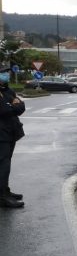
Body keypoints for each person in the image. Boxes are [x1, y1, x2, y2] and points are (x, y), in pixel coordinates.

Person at [0, 65, 25, 209]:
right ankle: (3, 197)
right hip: (1, 135)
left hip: (10, 133)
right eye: (3, 72)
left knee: (6, 164)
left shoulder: (7, 90)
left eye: (7, 72)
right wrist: (12, 105)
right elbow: (3, 110)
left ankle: (5, 191)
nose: (7, 75)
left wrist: (13, 105)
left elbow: (21, 107)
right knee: (3, 165)